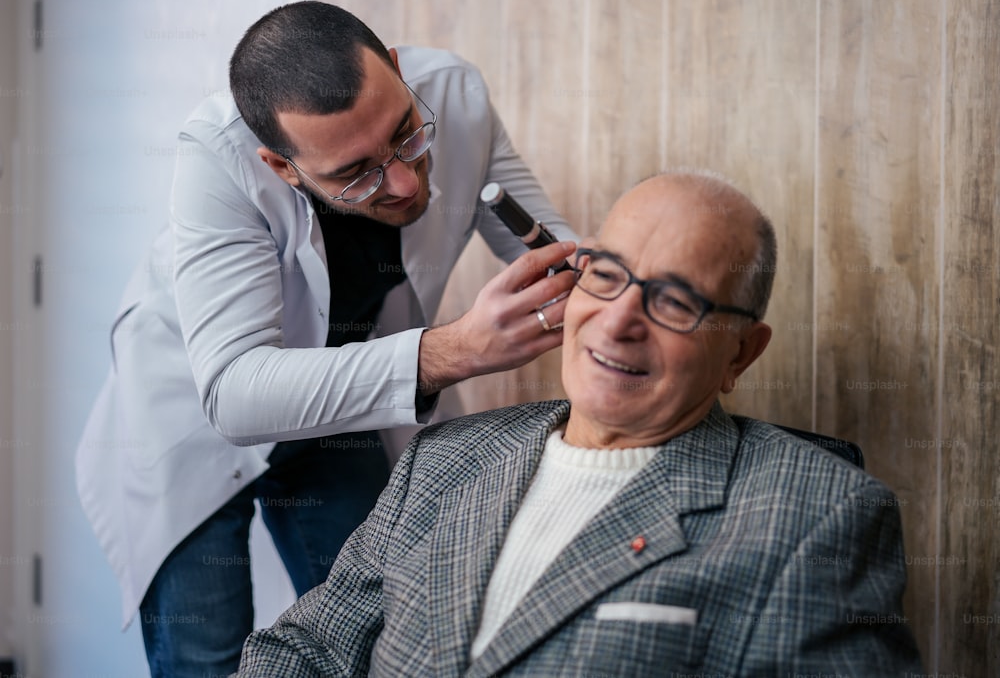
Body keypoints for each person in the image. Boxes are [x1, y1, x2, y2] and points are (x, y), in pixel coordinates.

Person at [236, 171, 923, 677]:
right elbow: (309, 650)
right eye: (607, 275)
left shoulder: (818, 514)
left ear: (739, 352)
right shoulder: (443, 458)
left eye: (676, 301)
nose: (619, 320)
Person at [75, 1, 578, 677]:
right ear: (281, 168)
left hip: (335, 412)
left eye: (407, 135)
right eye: (356, 172)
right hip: (188, 424)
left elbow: (548, 242)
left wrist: (617, 279)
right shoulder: (216, 159)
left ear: (397, 72)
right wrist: (456, 350)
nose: (404, 181)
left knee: (366, 637)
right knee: (207, 659)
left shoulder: (453, 94)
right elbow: (235, 395)